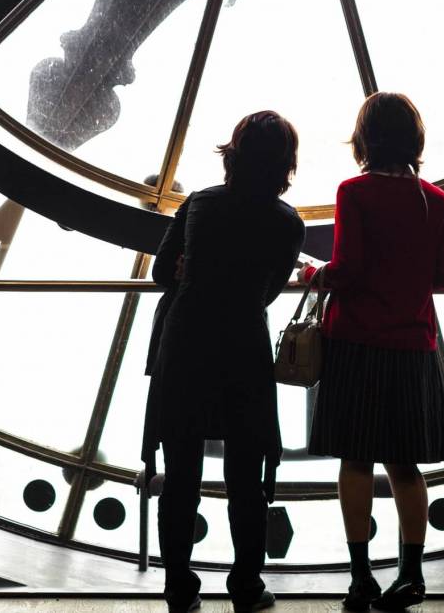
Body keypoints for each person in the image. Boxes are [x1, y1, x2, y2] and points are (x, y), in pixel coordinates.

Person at [142, 111, 306, 613]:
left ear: (232, 155)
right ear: (284, 165)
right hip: (244, 347)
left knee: (181, 472)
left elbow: (160, 276)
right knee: (246, 477)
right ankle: (245, 586)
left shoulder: (199, 204)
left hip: (186, 342)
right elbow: (269, 292)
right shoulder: (287, 223)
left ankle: (178, 587)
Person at [303, 92, 444, 611]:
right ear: (415, 140)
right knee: (405, 466)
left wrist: (313, 275)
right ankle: (411, 574)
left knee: (356, 462)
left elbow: (346, 269)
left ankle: (360, 576)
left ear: (365, 139)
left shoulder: (354, 192)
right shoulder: (436, 202)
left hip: (356, 342)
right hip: (413, 344)